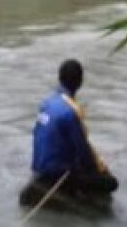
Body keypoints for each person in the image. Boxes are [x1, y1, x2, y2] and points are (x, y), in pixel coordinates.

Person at [20, 59, 118, 210]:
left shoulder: (47, 103)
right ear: (80, 82)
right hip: (57, 173)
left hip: (38, 167)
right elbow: (83, 152)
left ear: (59, 78)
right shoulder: (71, 111)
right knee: (111, 183)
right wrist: (101, 171)